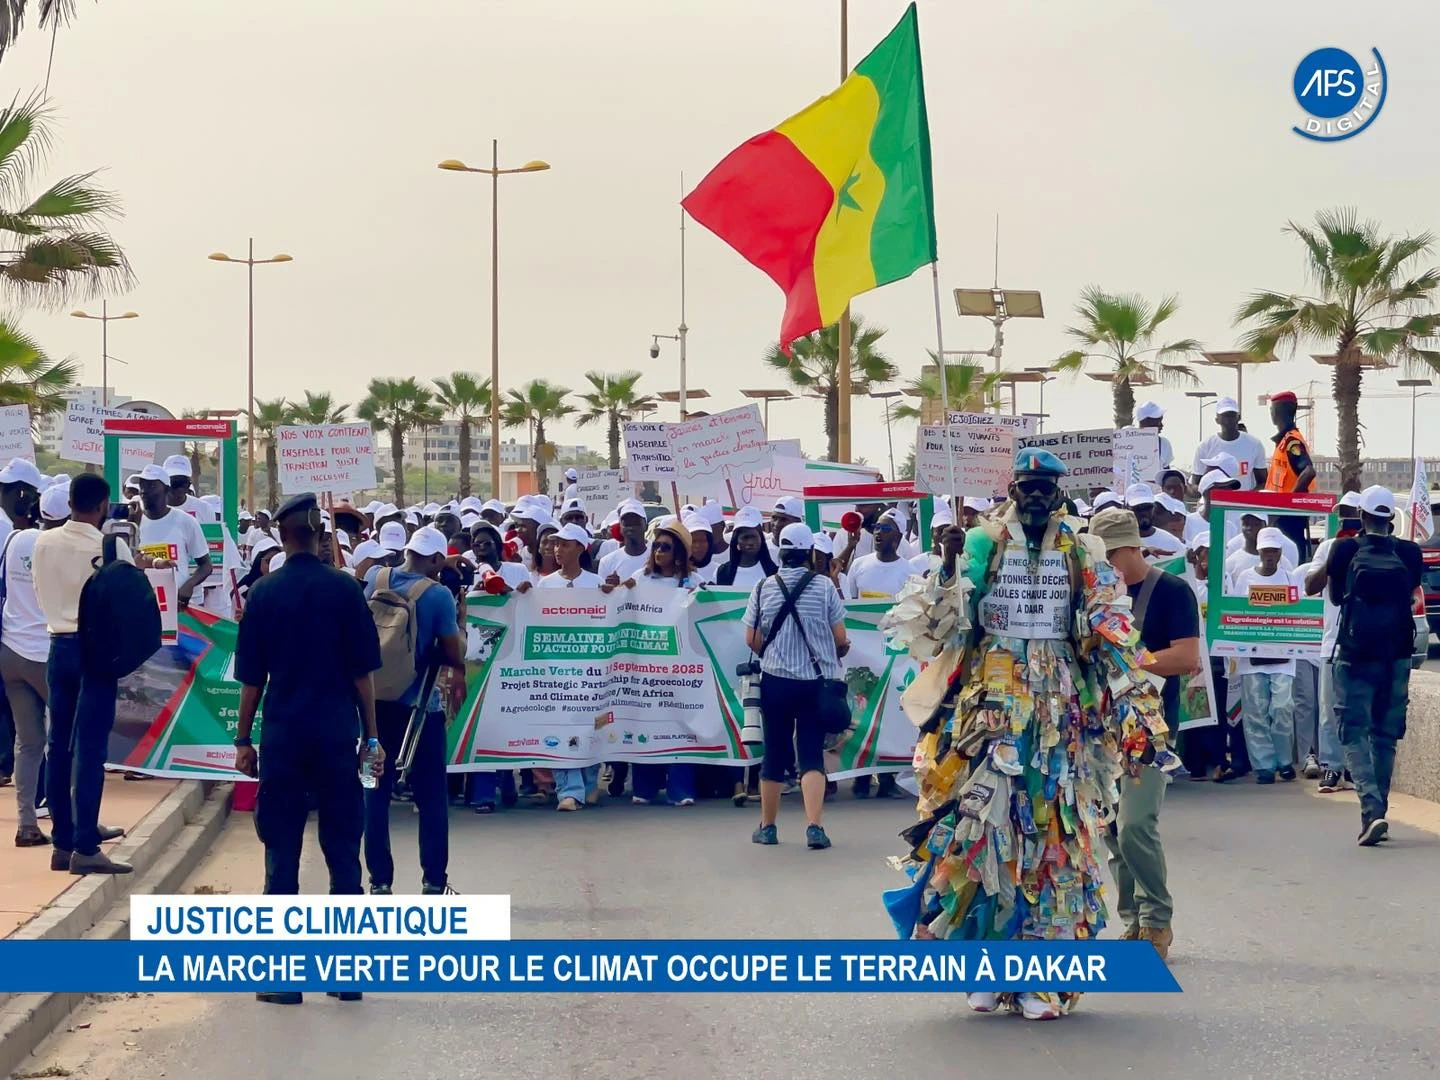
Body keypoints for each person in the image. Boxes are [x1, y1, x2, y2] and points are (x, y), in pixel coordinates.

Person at [882, 447, 1175, 1022]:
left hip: (1061, 723)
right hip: (988, 719)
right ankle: (987, 969)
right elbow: (937, 627)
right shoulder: (980, 545)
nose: (1036, 494)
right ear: (1011, 489)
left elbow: (1111, 632)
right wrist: (947, 572)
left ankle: (1043, 980)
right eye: (1026, 484)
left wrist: (1138, 717)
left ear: (1060, 491)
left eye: (1046, 485)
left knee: (1054, 845)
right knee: (986, 838)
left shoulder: (1083, 551)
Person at [232, 493, 382, 1005]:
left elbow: (251, 680)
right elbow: (363, 676)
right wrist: (373, 737)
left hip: (284, 737)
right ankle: (347, 975)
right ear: (318, 533)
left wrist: (243, 740)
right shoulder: (345, 591)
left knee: (282, 851)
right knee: (343, 850)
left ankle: (281, 979)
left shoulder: (264, 595)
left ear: (281, 534)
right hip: (337, 734)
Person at [1090, 507, 1200, 961]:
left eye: (1111, 555)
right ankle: (1132, 919)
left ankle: (1157, 917)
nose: (1106, 566)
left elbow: (1185, 658)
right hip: (1100, 730)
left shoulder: (1171, 591)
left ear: (1133, 546)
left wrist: (1131, 663)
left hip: (1150, 731)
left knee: (1136, 824)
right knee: (1112, 831)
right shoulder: (1095, 595)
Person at [31, 474, 133, 874]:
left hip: (58, 647)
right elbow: (126, 603)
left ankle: (63, 841)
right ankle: (87, 848)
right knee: (90, 752)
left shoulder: (43, 542)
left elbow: (42, 593)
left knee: (58, 747)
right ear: (104, 504)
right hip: (95, 653)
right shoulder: (111, 546)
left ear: (70, 501)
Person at [361, 526, 465, 894]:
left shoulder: (376, 577)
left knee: (374, 792)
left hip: (372, 703)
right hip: (419, 706)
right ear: (436, 559)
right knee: (431, 796)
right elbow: (454, 652)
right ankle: (434, 883)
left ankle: (379, 882)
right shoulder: (437, 596)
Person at [1323, 485, 1421, 846]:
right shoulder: (1410, 553)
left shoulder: (1346, 548)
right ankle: (1380, 809)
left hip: (1355, 653)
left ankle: (1371, 810)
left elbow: (1335, 597)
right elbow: (1409, 593)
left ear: (1361, 517)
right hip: (1397, 654)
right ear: (1390, 520)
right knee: (1385, 735)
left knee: (1352, 730)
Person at [743, 522, 848, 850]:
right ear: (808, 553)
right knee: (811, 752)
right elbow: (840, 639)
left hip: (775, 682)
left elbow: (751, 638)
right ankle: (815, 827)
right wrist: (834, 649)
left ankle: (768, 827)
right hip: (814, 683)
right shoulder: (825, 588)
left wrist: (775, 653)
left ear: (781, 550)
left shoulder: (763, 587)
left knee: (774, 752)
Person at [536, 522, 611, 811]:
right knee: (561, 724)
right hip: (558, 671)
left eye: (565, 544)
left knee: (592, 725)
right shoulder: (546, 584)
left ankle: (590, 782)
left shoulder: (596, 583)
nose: (557, 549)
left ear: (581, 548)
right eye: (556, 544)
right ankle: (569, 790)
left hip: (592, 671)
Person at [629, 518, 699, 807]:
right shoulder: (640, 578)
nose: (659, 552)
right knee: (646, 722)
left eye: (666, 547)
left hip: (680, 666)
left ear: (680, 552)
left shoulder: (694, 583)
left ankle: (680, 788)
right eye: (656, 546)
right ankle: (644, 787)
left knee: (680, 724)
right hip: (646, 665)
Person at [4, 477, 57, 847]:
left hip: (10, 652)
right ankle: (69, 819)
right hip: (46, 653)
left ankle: (26, 824)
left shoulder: (14, 539)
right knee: (67, 738)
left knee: (28, 741)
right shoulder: (59, 547)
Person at [1303, 490, 1363, 793]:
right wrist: (1334, 556)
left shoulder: (1371, 547)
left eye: (1352, 512)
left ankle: (1354, 767)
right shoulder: (1329, 546)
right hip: (1332, 642)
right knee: (1328, 709)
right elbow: (1310, 586)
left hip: (1364, 642)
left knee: (1358, 707)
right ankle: (1332, 766)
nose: (1346, 517)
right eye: (1342, 512)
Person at [1231, 528, 1300, 783]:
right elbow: (1236, 615)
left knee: (1282, 708)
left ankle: (1284, 761)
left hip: (1283, 655)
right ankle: (1264, 766)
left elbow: (1298, 615)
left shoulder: (1290, 578)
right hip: (1252, 656)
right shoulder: (1245, 578)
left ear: (1280, 552)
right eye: (1266, 550)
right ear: (1259, 551)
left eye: (1274, 550)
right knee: (1255, 711)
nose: (1270, 555)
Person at [135, 463, 213, 610]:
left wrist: (188, 586)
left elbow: (206, 565)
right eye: (142, 485)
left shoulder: (186, 521)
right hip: (142, 604)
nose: (144, 491)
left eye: (151, 486)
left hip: (179, 605)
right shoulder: (134, 522)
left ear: (166, 490)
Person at [1264, 390, 1316, 560]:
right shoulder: (1283, 441)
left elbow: (1308, 471)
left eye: (1272, 409)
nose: (1271, 413)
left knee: (1291, 560)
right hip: (1280, 514)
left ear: (1278, 411)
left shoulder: (1292, 442)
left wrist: (1287, 504)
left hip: (1289, 516)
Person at [1191, 396, 1269, 492]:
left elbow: (1263, 482)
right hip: (1214, 505)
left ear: (1238, 417)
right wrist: (1207, 492)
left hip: (1243, 505)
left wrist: (1247, 498)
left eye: (1232, 415)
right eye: (1224, 415)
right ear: (1217, 419)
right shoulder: (1205, 446)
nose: (1228, 419)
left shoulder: (1254, 444)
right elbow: (1195, 484)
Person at [845, 509, 914, 599]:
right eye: (877, 527)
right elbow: (850, 603)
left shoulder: (910, 572)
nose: (879, 532)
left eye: (886, 529)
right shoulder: (857, 565)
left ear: (897, 537)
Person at [715, 508, 777, 588]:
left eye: (753, 537)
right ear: (736, 540)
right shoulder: (722, 572)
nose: (750, 542)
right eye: (745, 537)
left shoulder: (773, 573)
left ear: (761, 538)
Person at [1124, 484, 1186, 561]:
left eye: (1148, 507)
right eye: (1138, 508)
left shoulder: (1171, 542)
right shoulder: (1116, 541)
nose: (1144, 513)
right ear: (1125, 508)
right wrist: (1145, 553)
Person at [597, 501, 650, 585]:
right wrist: (613, 589)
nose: (631, 527)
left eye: (636, 522)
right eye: (626, 523)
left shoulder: (657, 558)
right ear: (620, 528)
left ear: (646, 526)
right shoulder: (607, 562)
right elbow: (602, 597)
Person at [161, 455, 217, 523]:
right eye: (175, 481)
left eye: (184, 481)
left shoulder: (204, 509)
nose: (179, 487)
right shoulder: (152, 509)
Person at [1135, 401, 1174, 467]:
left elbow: (1166, 470)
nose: (1162, 425)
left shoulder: (1164, 443)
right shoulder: (1125, 439)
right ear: (1145, 423)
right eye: (1158, 422)